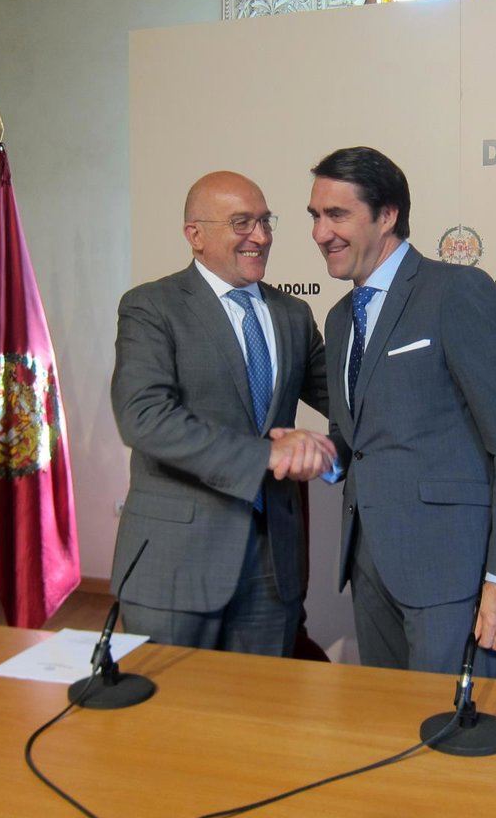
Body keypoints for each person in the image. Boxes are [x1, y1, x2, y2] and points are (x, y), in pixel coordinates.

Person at [307, 146, 496, 678]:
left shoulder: (455, 291)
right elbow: (356, 438)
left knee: (448, 726)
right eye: (315, 216)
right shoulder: (340, 318)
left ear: (387, 215)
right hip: (369, 569)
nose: (321, 233)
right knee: (385, 722)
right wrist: (318, 453)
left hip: (450, 573)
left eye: (337, 214)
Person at [110, 170, 333, 656]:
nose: (261, 236)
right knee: (172, 704)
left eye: (265, 221)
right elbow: (143, 416)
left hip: (274, 568)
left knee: (261, 702)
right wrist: (266, 455)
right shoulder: (151, 307)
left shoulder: (293, 315)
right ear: (195, 235)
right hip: (175, 564)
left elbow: (347, 402)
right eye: (241, 223)